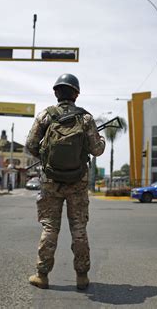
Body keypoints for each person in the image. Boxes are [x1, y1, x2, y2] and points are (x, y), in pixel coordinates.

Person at [25, 73, 106, 290]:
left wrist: (46, 155)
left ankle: (42, 275)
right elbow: (96, 150)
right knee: (79, 228)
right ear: (76, 94)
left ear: (56, 92)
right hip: (78, 182)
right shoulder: (86, 119)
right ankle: (82, 277)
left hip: (50, 181)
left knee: (50, 227)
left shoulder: (45, 116)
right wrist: (102, 140)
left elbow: (31, 145)